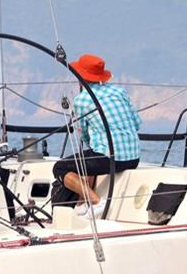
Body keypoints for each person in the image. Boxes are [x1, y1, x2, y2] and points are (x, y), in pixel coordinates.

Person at [51, 54, 141, 216]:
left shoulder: (83, 100)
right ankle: (81, 205)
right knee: (91, 155)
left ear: (81, 76)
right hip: (134, 158)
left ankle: (96, 201)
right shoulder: (119, 91)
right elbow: (136, 123)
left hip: (111, 159)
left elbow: (83, 134)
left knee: (60, 167)